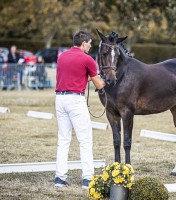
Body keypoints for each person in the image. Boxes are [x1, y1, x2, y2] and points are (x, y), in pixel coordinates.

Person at [54, 30, 105, 189]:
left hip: (60, 98)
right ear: (83, 43)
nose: (90, 46)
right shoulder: (87, 59)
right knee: (85, 140)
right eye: (89, 44)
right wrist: (105, 81)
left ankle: (60, 178)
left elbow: (70, 74)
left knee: (63, 140)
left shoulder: (62, 56)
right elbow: (98, 84)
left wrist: (86, 77)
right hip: (75, 100)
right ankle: (87, 179)